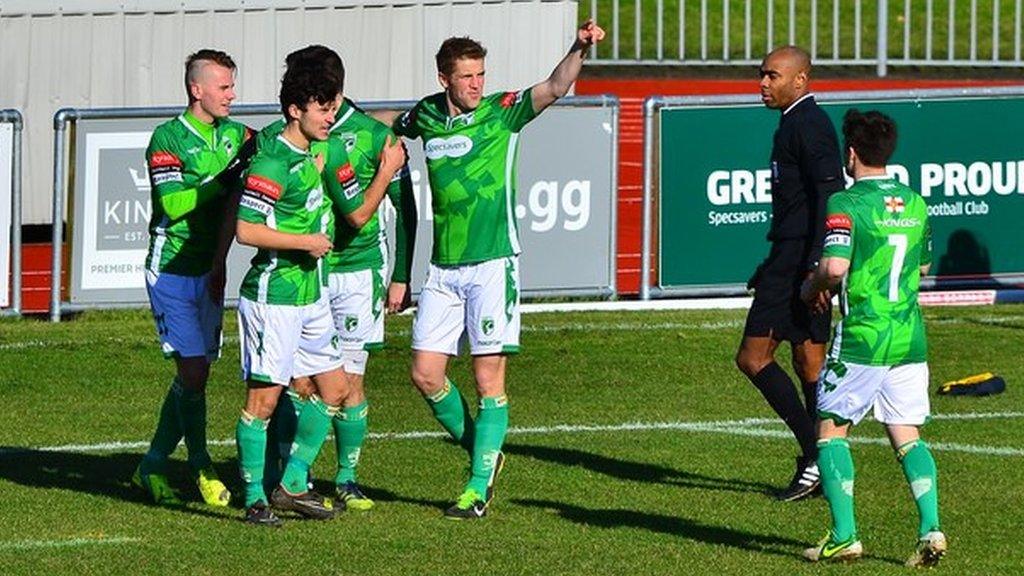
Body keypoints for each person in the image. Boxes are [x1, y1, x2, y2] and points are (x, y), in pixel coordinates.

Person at [391, 20, 605, 519]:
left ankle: (477, 486)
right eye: (466, 77)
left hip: (492, 266)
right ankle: (484, 453)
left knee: (489, 380)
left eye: (481, 75)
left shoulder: (502, 112)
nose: (476, 84)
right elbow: (387, 126)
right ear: (444, 78)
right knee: (425, 374)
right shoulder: (425, 114)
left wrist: (579, 46)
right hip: (443, 269)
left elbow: (555, 86)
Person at [799, 109, 945, 566]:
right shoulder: (916, 202)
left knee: (829, 430)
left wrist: (811, 287)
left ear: (851, 152)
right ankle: (931, 529)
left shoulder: (847, 203)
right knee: (907, 435)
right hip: (909, 337)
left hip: (865, 336)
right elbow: (922, 267)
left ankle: (845, 535)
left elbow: (836, 267)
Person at [232, 50, 354, 526]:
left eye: (332, 108)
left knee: (336, 387)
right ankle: (253, 499)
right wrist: (306, 242)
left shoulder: (312, 155)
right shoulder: (273, 161)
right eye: (321, 109)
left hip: (311, 297)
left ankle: (292, 482)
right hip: (274, 298)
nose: (329, 117)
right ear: (294, 110)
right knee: (262, 402)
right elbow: (246, 230)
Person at [134, 49, 255, 507]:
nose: (231, 94)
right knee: (194, 369)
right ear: (196, 89)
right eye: (223, 87)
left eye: (231, 85)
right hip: (171, 269)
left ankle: (150, 466)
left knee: (194, 375)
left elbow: (283, 148)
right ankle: (202, 465)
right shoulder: (168, 138)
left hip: (208, 270)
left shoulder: (238, 136)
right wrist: (225, 180)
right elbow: (174, 205)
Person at [735, 45, 844, 501]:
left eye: (772, 76)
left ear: (800, 80)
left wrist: (817, 267)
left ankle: (816, 455)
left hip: (801, 262)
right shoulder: (794, 123)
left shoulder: (809, 125)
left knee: (753, 357)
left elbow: (830, 195)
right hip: (790, 258)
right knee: (809, 361)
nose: (763, 83)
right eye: (761, 75)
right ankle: (821, 462)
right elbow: (800, 204)